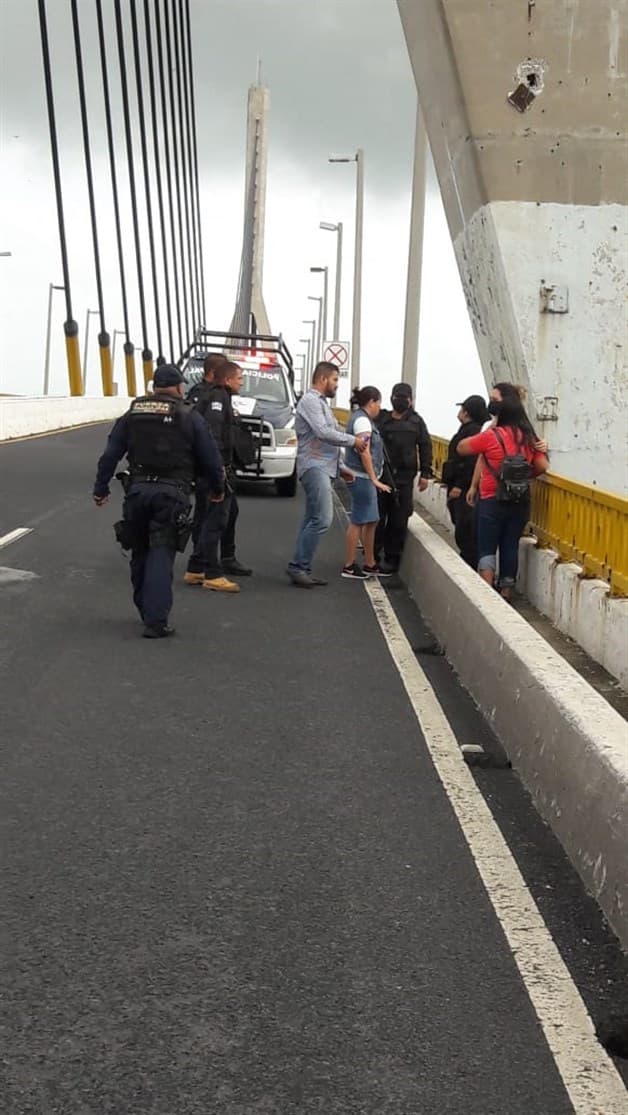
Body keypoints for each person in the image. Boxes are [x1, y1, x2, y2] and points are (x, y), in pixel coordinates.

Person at [93, 364, 224, 638]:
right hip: (172, 494)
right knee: (161, 554)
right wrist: (217, 488)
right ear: (178, 387)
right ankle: (156, 621)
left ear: (154, 387)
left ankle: (144, 608)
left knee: (139, 550)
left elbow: (110, 453)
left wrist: (101, 487)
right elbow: (211, 459)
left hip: (137, 491)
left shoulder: (133, 413)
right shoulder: (189, 415)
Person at [457, 395, 549, 599]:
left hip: (491, 498)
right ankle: (507, 589)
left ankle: (487, 586)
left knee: (487, 545)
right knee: (510, 544)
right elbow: (542, 466)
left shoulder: (492, 435)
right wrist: (526, 476)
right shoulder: (528, 438)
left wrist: (492, 429)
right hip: (520, 498)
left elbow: (461, 447)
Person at [286, 361, 368, 588]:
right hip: (314, 466)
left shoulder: (321, 404)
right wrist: (354, 441)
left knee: (311, 519)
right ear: (323, 379)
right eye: (334, 380)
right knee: (323, 518)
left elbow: (330, 437)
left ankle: (300, 567)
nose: (336, 386)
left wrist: (342, 468)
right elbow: (323, 433)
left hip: (323, 465)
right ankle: (298, 566)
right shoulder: (311, 401)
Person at [184, 360, 251, 592]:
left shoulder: (218, 397)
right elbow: (213, 436)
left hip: (209, 470)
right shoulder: (217, 399)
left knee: (207, 518)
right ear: (227, 380)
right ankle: (213, 574)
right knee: (215, 521)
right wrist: (219, 469)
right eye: (239, 378)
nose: (242, 382)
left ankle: (196, 568)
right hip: (215, 470)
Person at [375, 383, 432, 573]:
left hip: (404, 479)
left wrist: (426, 473)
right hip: (382, 476)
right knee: (377, 518)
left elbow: (426, 446)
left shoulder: (416, 422)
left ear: (411, 400)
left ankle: (392, 559)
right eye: (397, 397)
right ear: (391, 398)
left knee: (399, 520)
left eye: (404, 397)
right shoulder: (381, 419)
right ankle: (373, 555)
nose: (400, 401)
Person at [342, 386, 392, 579]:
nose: (380, 407)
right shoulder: (362, 421)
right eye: (379, 402)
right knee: (358, 520)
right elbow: (364, 450)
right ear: (372, 402)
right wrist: (374, 479)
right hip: (361, 477)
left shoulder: (361, 418)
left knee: (372, 519)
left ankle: (370, 563)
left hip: (362, 476)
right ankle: (349, 564)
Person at [442, 394, 489, 568]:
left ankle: (469, 562)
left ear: (466, 412)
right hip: (463, 486)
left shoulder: (472, 432)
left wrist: (459, 485)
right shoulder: (473, 430)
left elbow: (469, 463)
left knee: (465, 528)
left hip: (463, 489)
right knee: (463, 526)